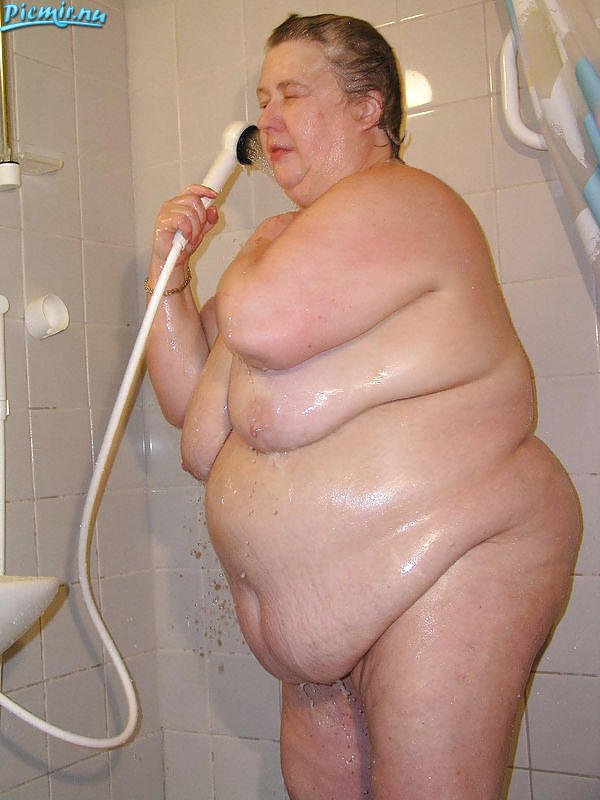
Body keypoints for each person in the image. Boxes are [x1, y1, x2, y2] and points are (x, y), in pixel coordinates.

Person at [145, 13, 581, 800]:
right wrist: (169, 282)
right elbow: (191, 407)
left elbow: (261, 323)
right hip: (340, 604)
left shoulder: (403, 198)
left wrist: (254, 247)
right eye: (261, 100)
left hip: (453, 556)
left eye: (292, 94)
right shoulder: (291, 246)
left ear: (367, 106)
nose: (267, 119)